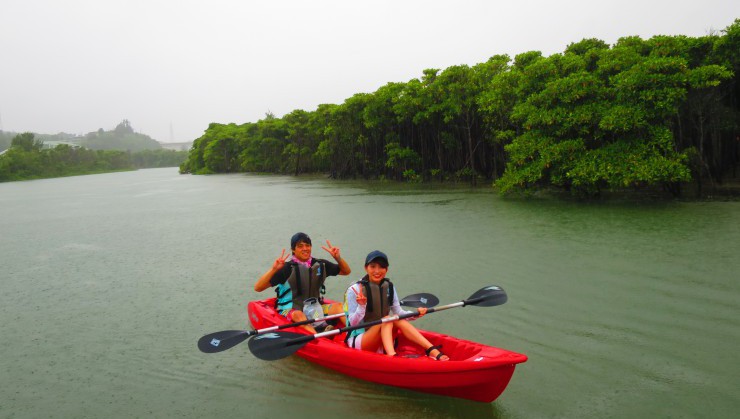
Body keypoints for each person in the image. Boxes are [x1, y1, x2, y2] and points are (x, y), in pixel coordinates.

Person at [344, 250, 449, 360]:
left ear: (387, 269)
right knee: (388, 319)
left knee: (396, 318)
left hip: (383, 332)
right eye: (373, 266)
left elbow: (399, 313)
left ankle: (431, 349)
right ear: (366, 268)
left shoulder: (389, 287)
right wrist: (361, 306)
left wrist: (416, 314)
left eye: (381, 267)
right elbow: (352, 323)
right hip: (360, 340)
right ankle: (392, 356)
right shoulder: (354, 290)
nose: (377, 271)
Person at [254, 232, 351, 333]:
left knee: (339, 307)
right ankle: (320, 339)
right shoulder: (287, 268)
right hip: (290, 309)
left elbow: (346, 271)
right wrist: (273, 269)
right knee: (299, 315)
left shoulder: (320, 264)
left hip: (314, 307)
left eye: (307, 245)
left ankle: (353, 334)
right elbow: (258, 288)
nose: (305, 248)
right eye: (300, 246)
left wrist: (338, 258)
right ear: (293, 249)